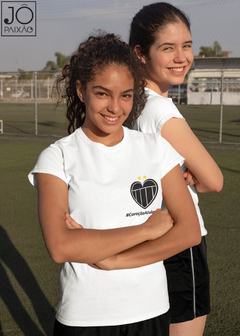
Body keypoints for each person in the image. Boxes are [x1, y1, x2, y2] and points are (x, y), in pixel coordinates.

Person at [28, 32, 201, 336]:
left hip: (151, 312)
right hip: (85, 318)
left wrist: (112, 259)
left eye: (125, 95)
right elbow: (61, 246)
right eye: (102, 93)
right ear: (81, 91)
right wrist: (147, 230)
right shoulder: (57, 157)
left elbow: (188, 231)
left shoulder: (156, 148)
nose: (115, 107)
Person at [128, 3, 224, 336]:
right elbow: (214, 180)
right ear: (140, 53)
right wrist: (197, 179)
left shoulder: (129, 103)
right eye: (167, 48)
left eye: (186, 45)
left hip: (142, 237)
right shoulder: (160, 111)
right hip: (180, 244)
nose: (181, 56)